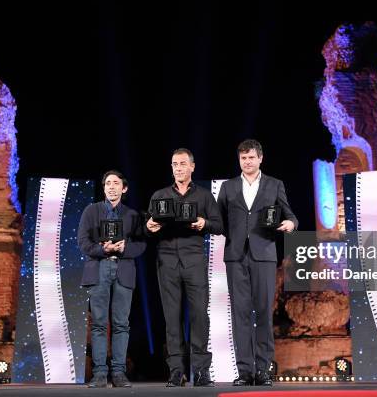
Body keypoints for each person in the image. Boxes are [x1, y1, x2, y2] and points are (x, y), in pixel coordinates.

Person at [217, 139, 298, 386]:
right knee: (240, 313)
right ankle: (244, 371)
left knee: (263, 312)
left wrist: (291, 225)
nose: (247, 162)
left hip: (264, 254)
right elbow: (219, 220)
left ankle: (263, 370)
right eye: (243, 158)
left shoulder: (275, 185)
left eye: (251, 157)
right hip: (236, 256)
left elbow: (290, 215)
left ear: (260, 158)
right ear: (239, 160)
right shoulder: (228, 187)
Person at [146, 148, 223, 387]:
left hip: (194, 260)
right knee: (172, 317)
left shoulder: (203, 195)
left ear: (192, 166)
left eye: (182, 164)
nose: (178, 168)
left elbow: (219, 225)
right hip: (166, 260)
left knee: (200, 314)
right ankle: (176, 371)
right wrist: (149, 226)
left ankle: (201, 372)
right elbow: (146, 226)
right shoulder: (160, 195)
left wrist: (204, 223)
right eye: (174, 164)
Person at [78, 170, 146, 388]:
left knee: (121, 324)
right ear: (104, 187)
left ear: (124, 188)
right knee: (98, 323)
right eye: (108, 183)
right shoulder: (92, 210)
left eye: (116, 183)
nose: (111, 187)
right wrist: (101, 248)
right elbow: (82, 242)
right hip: (98, 268)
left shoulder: (133, 215)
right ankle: (99, 374)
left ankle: (118, 373)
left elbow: (141, 244)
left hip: (124, 269)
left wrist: (126, 248)